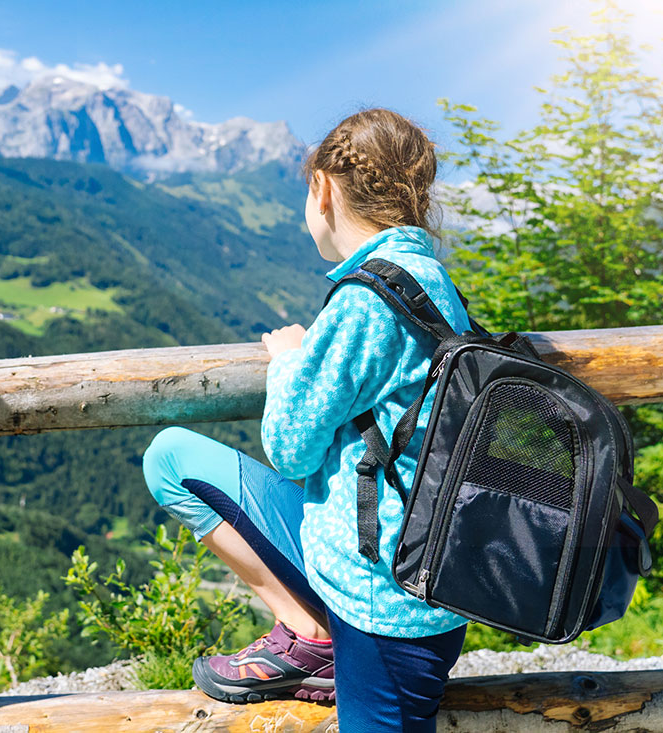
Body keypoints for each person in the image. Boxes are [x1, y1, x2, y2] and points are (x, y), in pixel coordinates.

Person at [142, 108, 471, 732]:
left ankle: (321, 636)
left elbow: (289, 448)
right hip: (398, 564)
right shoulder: (427, 280)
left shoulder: (366, 303)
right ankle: (312, 633)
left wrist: (290, 360)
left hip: (384, 605)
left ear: (323, 189)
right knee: (173, 459)